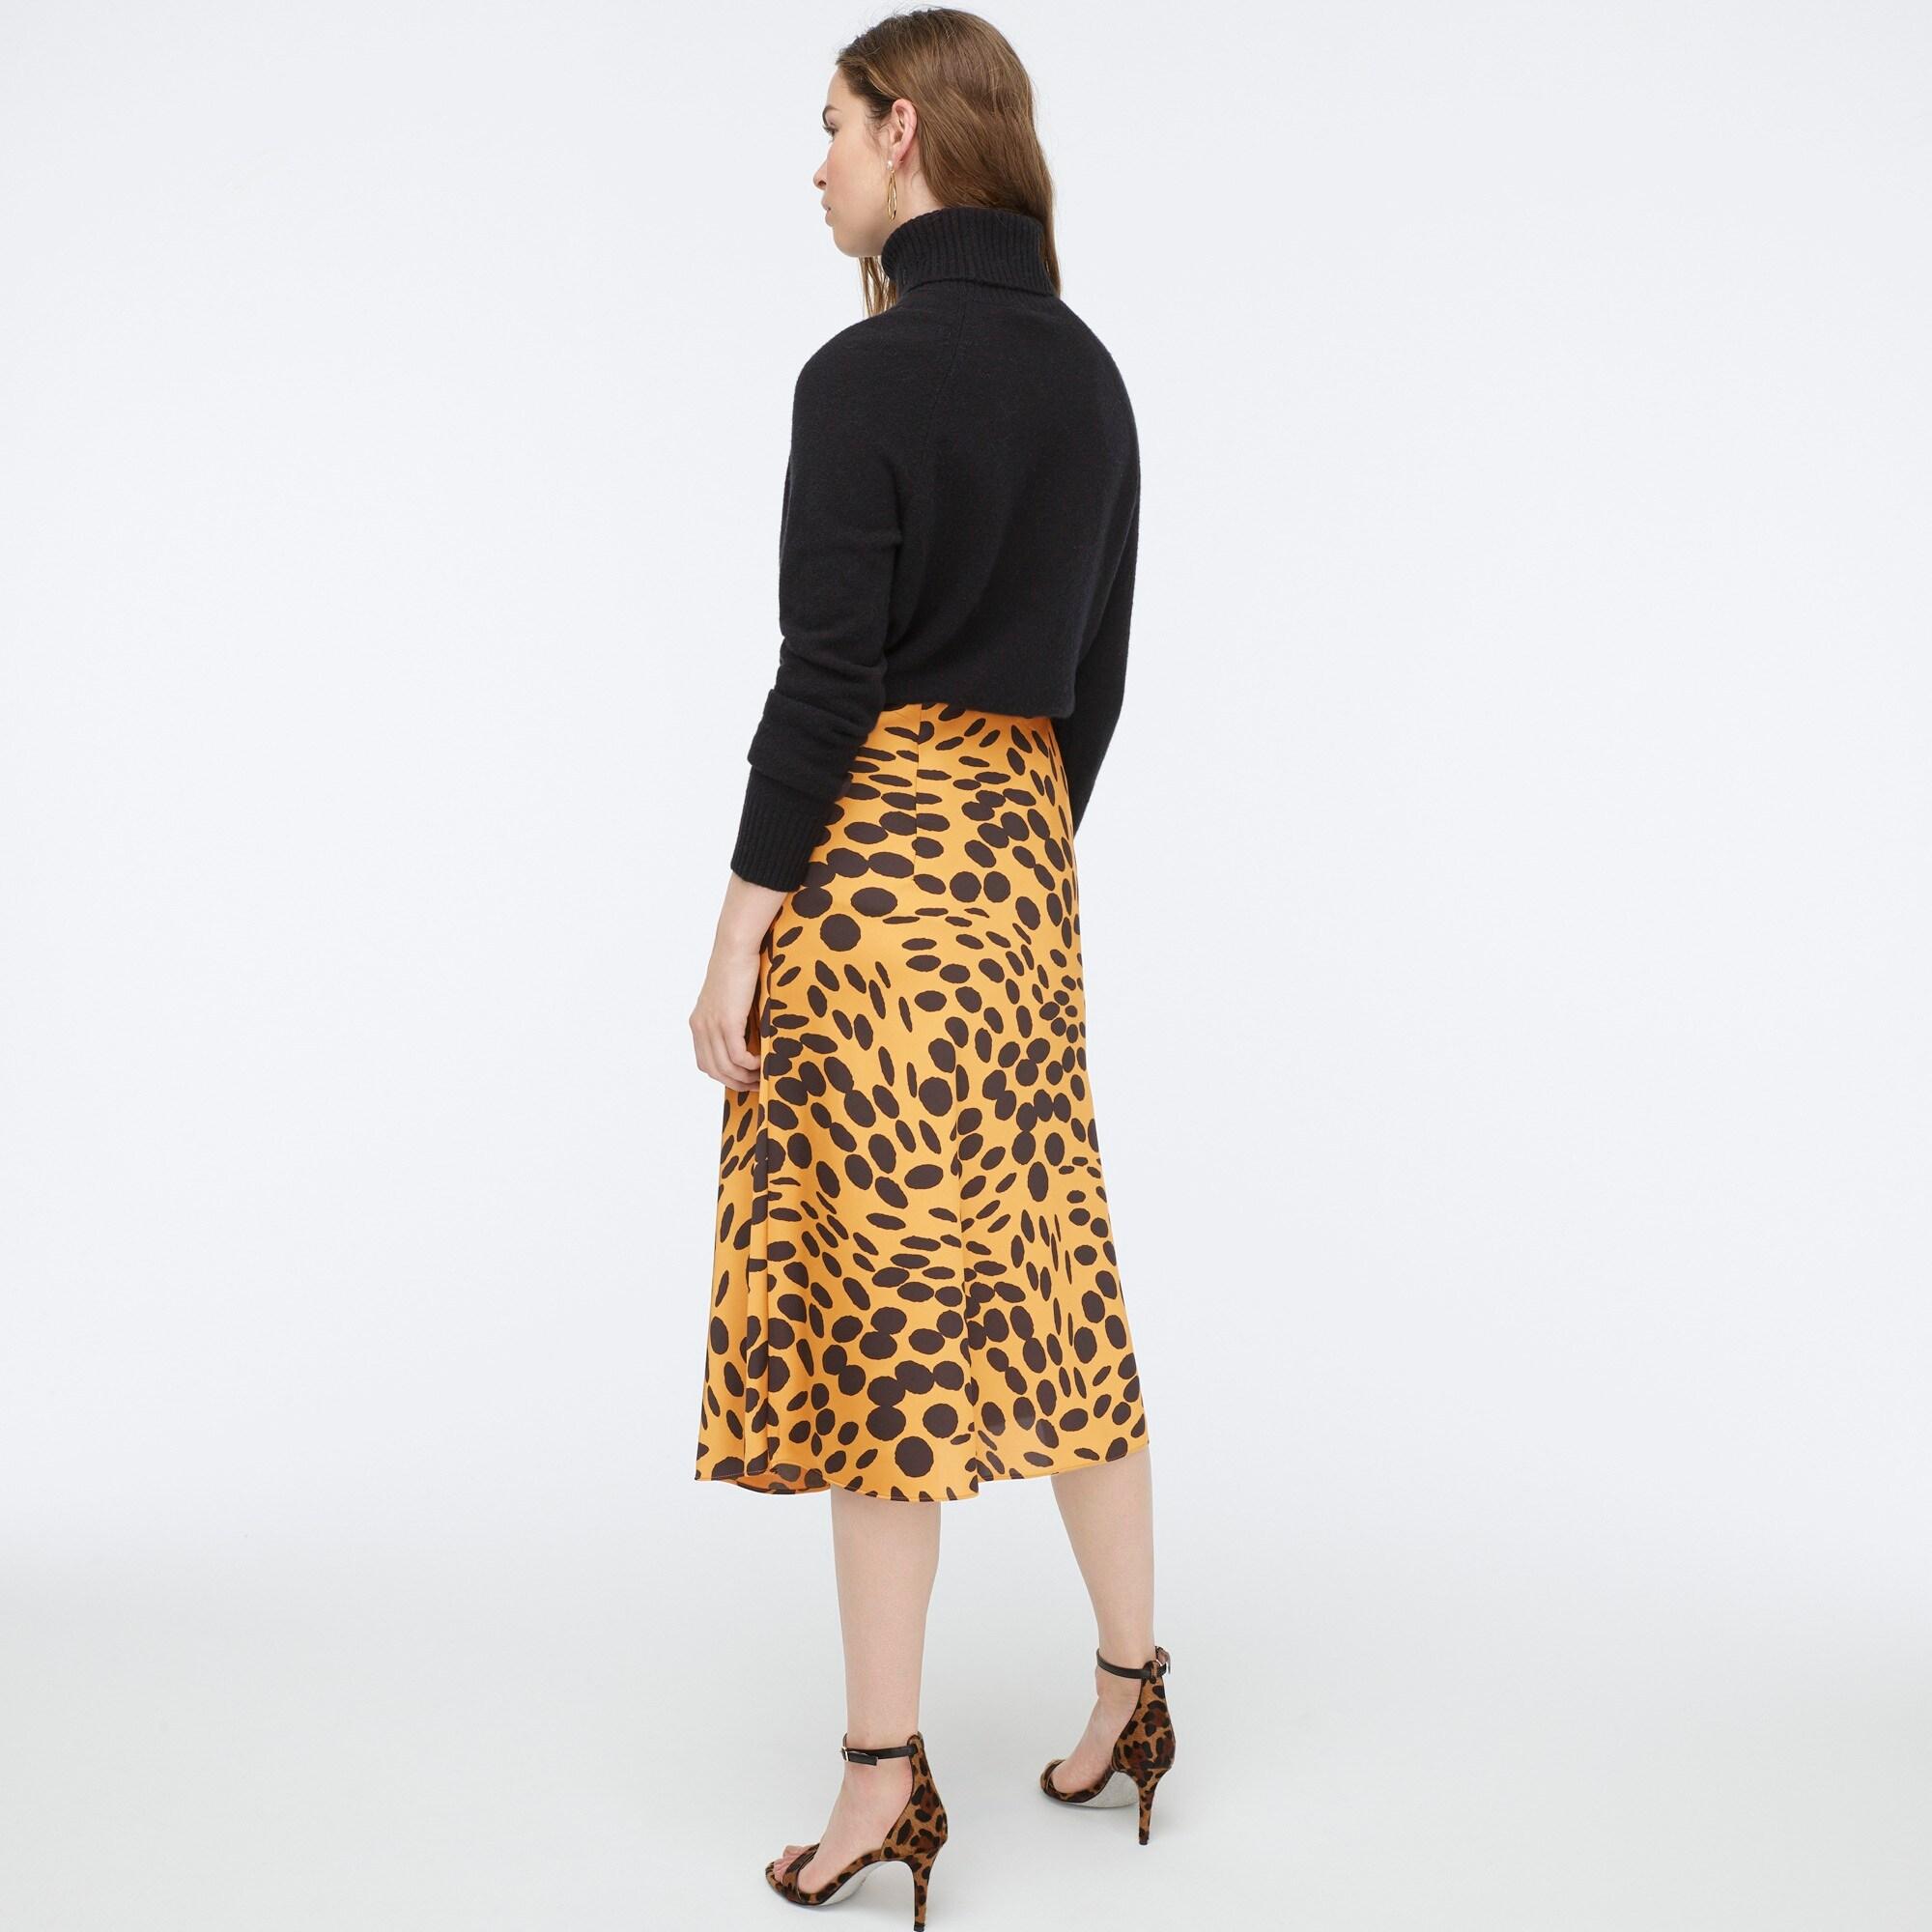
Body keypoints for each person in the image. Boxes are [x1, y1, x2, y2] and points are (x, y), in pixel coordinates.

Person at [686, 14, 1172, 1921]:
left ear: (904, 130)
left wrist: (740, 931)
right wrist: (1012, 866)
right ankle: (1131, 1689)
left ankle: (882, 1778)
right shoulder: (1092, 374)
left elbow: (825, 681)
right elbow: (1095, 680)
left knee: (889, 1323)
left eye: (828, 127)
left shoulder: (864, 374)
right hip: (1020, 877)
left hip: (875, 886)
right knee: (1055, 1278)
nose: (812, 166)